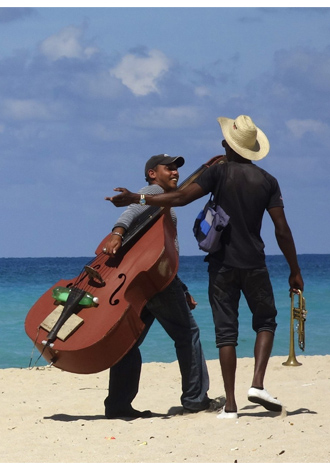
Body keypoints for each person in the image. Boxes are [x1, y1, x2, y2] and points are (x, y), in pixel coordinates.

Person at [106, 115, 304, 420]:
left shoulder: (216, 174)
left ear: (228, 144)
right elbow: (282, 230)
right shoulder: (267, 181)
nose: (174, 171)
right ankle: (232, 390)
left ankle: (227, 406)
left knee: (220, 335)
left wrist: (138, 197)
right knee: (245, 326)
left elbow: (179, 206)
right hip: (243, 266)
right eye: (168, 167)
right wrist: (295, 268)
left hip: (206, 269)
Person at [103, 154, 211, 419]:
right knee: (187, 335)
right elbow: (130, 212)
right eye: (169, 168)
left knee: (129, 344)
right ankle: (195, 400)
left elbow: (162, 253)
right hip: (158, 283)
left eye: (176, 169)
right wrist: (117, 233)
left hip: (144, 281)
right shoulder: (152, 192)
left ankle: (118, 404)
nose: (175, 173)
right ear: (153, 173)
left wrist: (182, 288)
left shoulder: (163, 201)